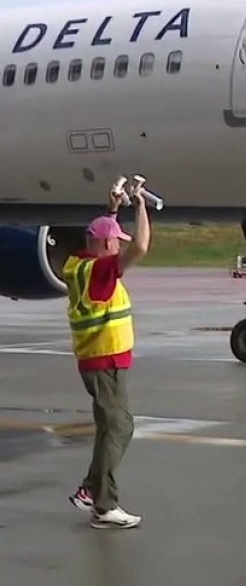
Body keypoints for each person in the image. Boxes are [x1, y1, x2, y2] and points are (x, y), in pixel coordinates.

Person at [65, 183, 151, 529]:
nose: (120, 247)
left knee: (118, 425)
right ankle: (104, 505)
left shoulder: (79, 264)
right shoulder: (100, 272)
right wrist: (142, 205)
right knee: (116, 427)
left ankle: (90, 490)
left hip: (100, 360)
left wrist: (113, 210)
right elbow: (142, 247)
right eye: (116, 241)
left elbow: (102, 237)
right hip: (105, 362)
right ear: (104, 245)